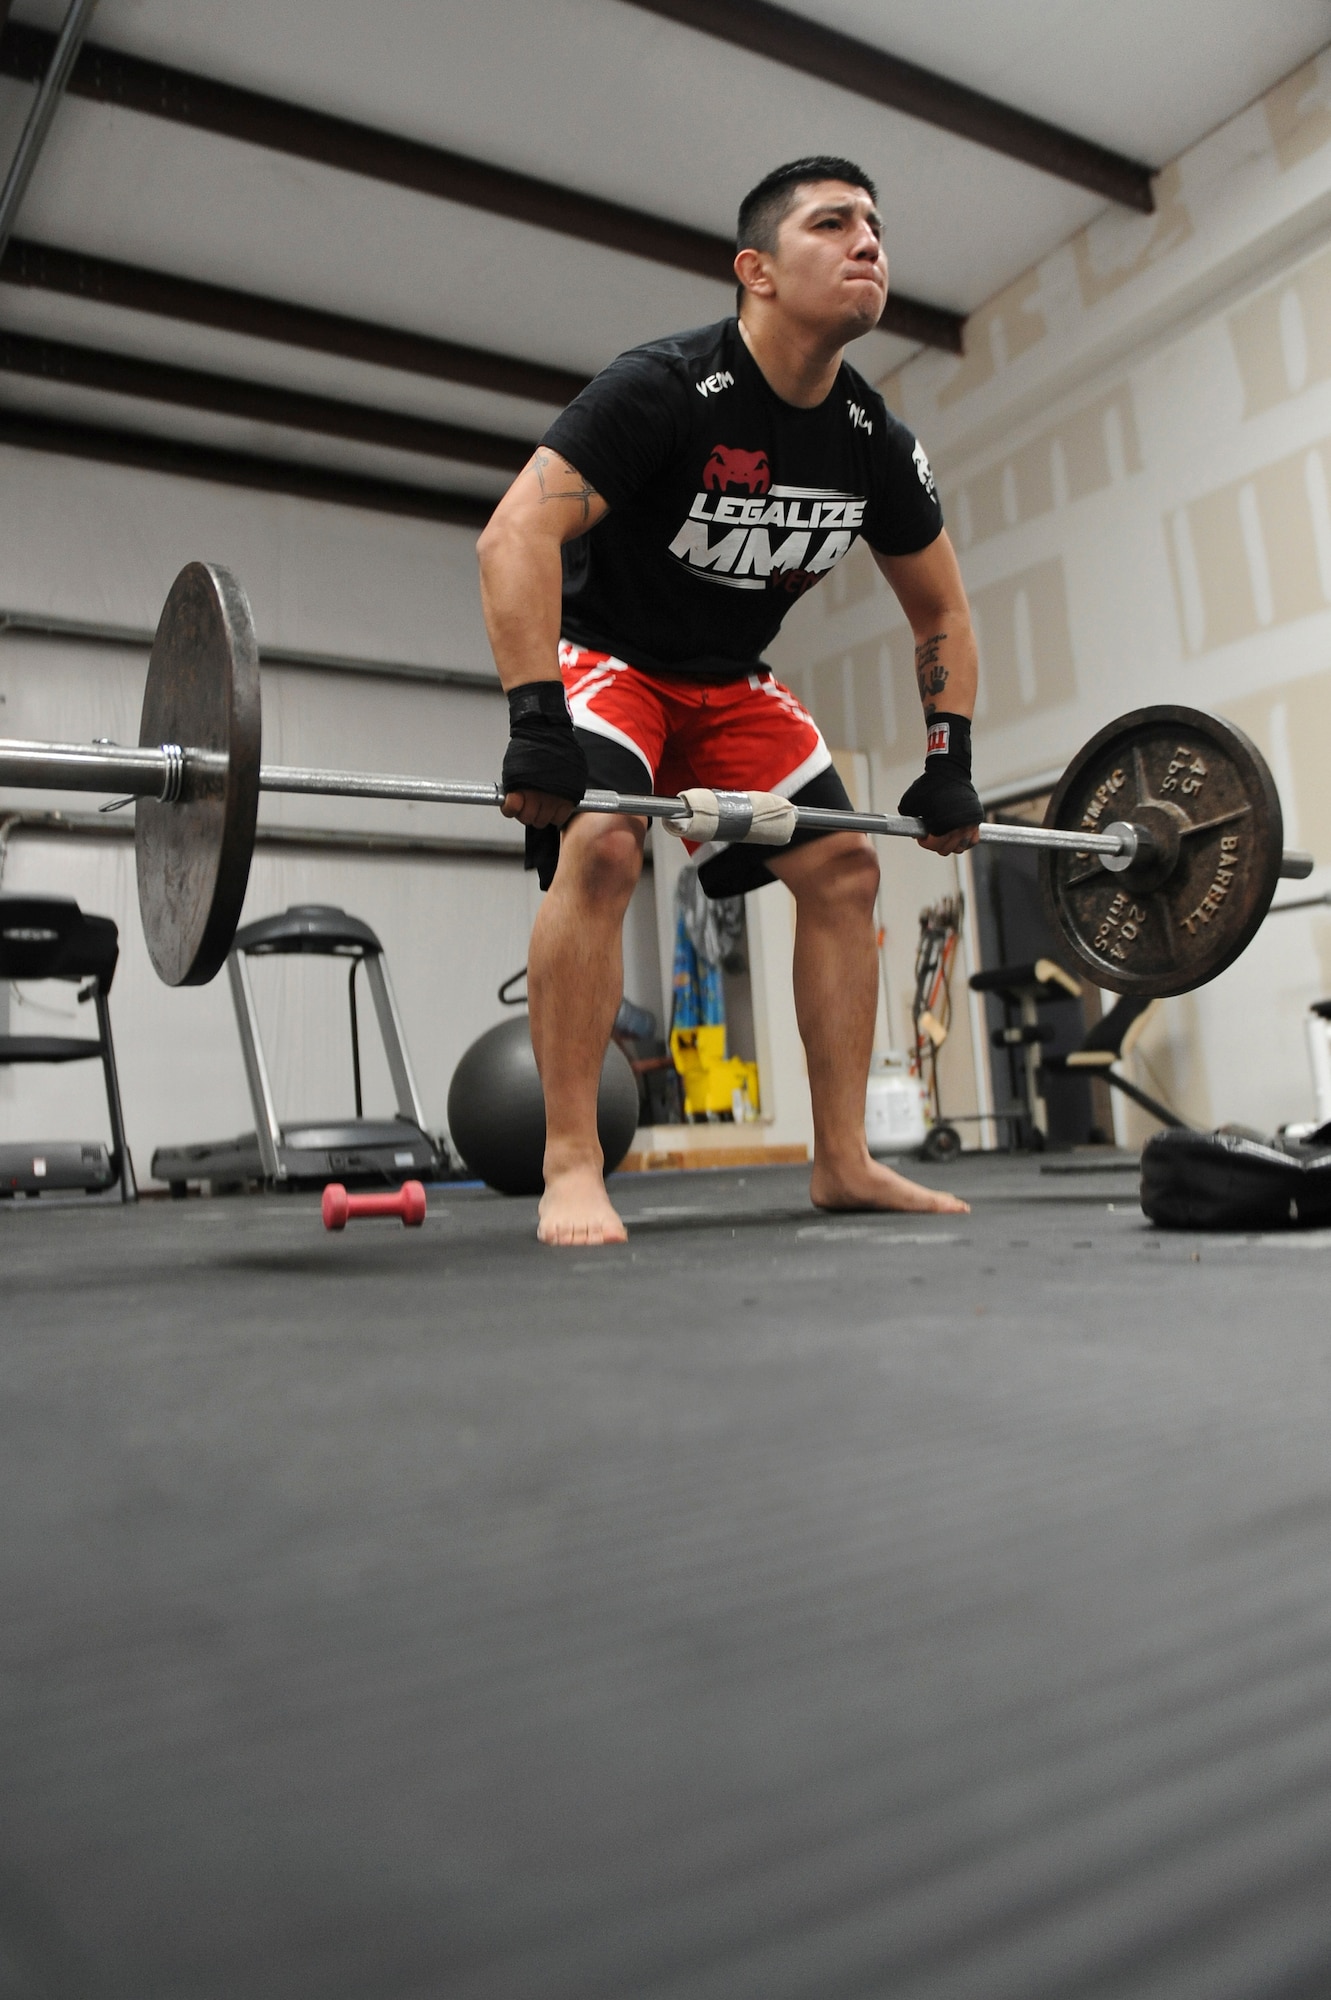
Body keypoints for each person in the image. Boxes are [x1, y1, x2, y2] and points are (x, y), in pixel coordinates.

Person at [477, 155, 983, 1246]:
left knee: (846, 869)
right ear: (753, 268)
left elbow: (938, 610)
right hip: (610, 656)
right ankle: (571, 1158)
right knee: (605, 845)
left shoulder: (871, 442)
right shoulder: (662, 388)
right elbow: (514, 533)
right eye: (833, 223)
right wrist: (533, 720)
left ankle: (841, 1160)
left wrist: (950, 757)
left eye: (876, 228)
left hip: (727, 682)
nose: (869, 244)